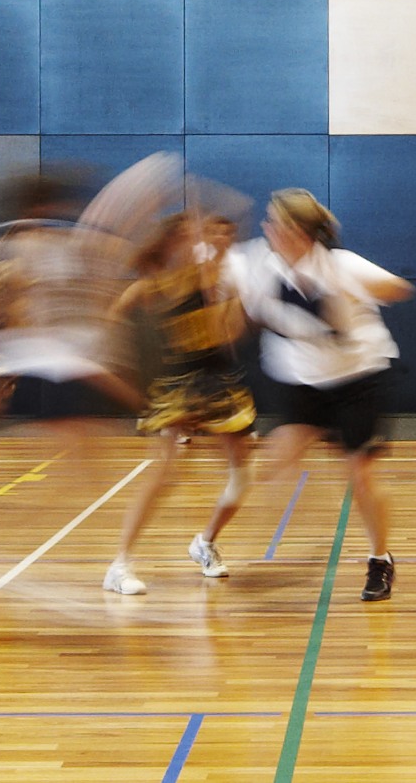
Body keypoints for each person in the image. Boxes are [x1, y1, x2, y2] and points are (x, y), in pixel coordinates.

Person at [0, 162, 161, 506]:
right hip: (14, 342)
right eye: (48, 207)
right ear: (36, 209)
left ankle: (147, 410)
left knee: (96, 375)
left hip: (42, 338)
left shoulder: (51, 243)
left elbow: (87, 267)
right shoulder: (6, 253)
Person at [226, 189, 412, 603]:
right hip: (298, 379)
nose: (265, 227)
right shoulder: (255, 263)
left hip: (358, 376)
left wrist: (372, 289)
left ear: (297, 232)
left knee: (359, 476)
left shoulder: (340, 267)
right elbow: (208, 269)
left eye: (274, 222)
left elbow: (399, 288)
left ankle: (379, 558)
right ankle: (243, 541)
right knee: (276, 461)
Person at [102, 210, 257, 595]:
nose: (202, 240)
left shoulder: (216, 276)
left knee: (242, 476)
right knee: (166, 472)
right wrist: (126, 367)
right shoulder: (154, 283)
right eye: (192, 235)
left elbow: (231, 335)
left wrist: (228, 299)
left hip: (218, 381)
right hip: (179, 383)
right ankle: (119, 565)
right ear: (173, 241)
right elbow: (113, 319)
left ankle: (204, 542)